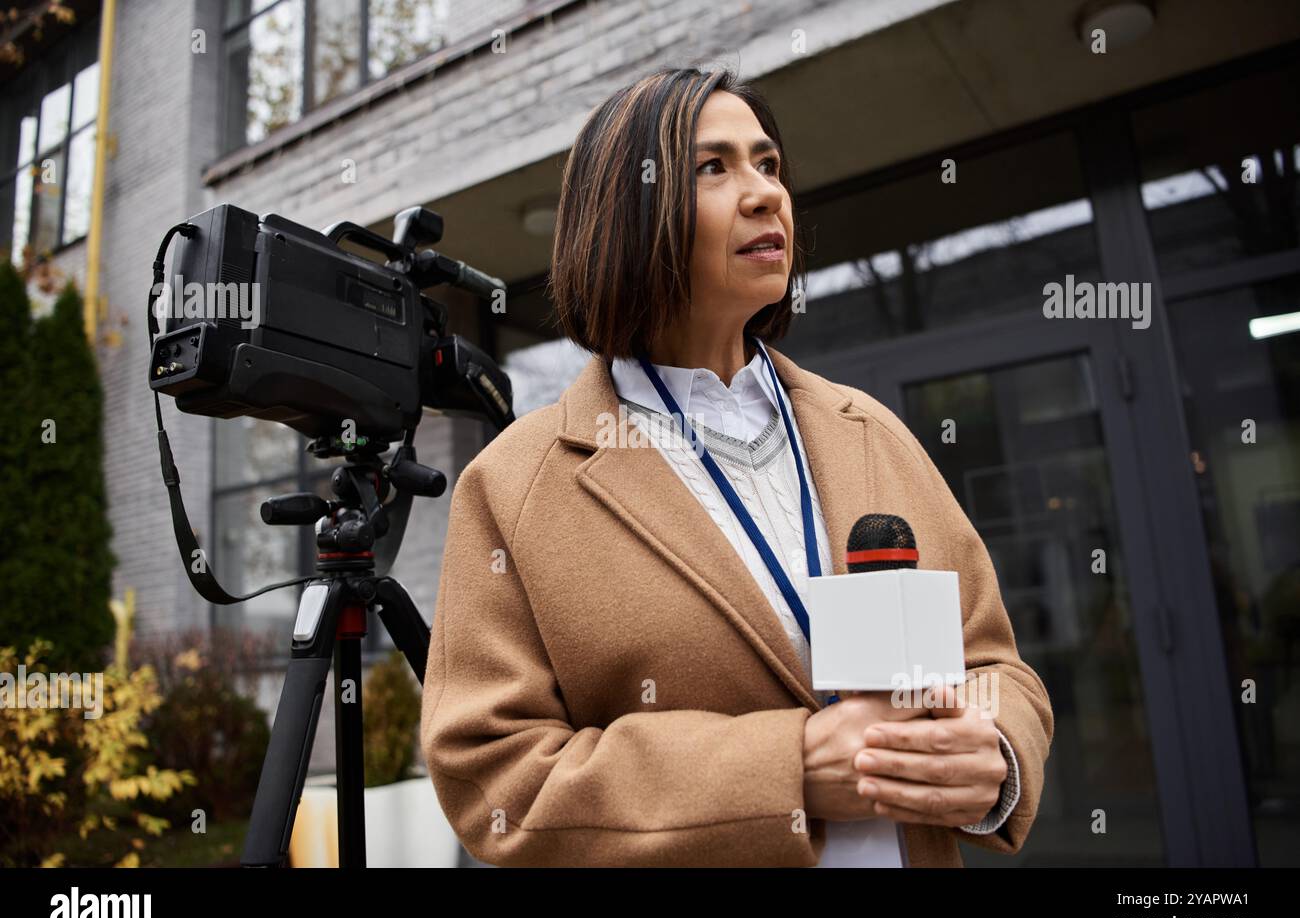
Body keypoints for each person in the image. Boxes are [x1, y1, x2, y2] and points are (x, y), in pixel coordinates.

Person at [420, 67, 1053, 866]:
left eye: (769, 164)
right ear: (624, 212)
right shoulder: (516, 482)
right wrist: (785, 773)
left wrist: (996, 754)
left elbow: (997, 665)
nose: (764, 193)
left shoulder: (872, 431)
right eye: (713, 167)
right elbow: (495, 776)